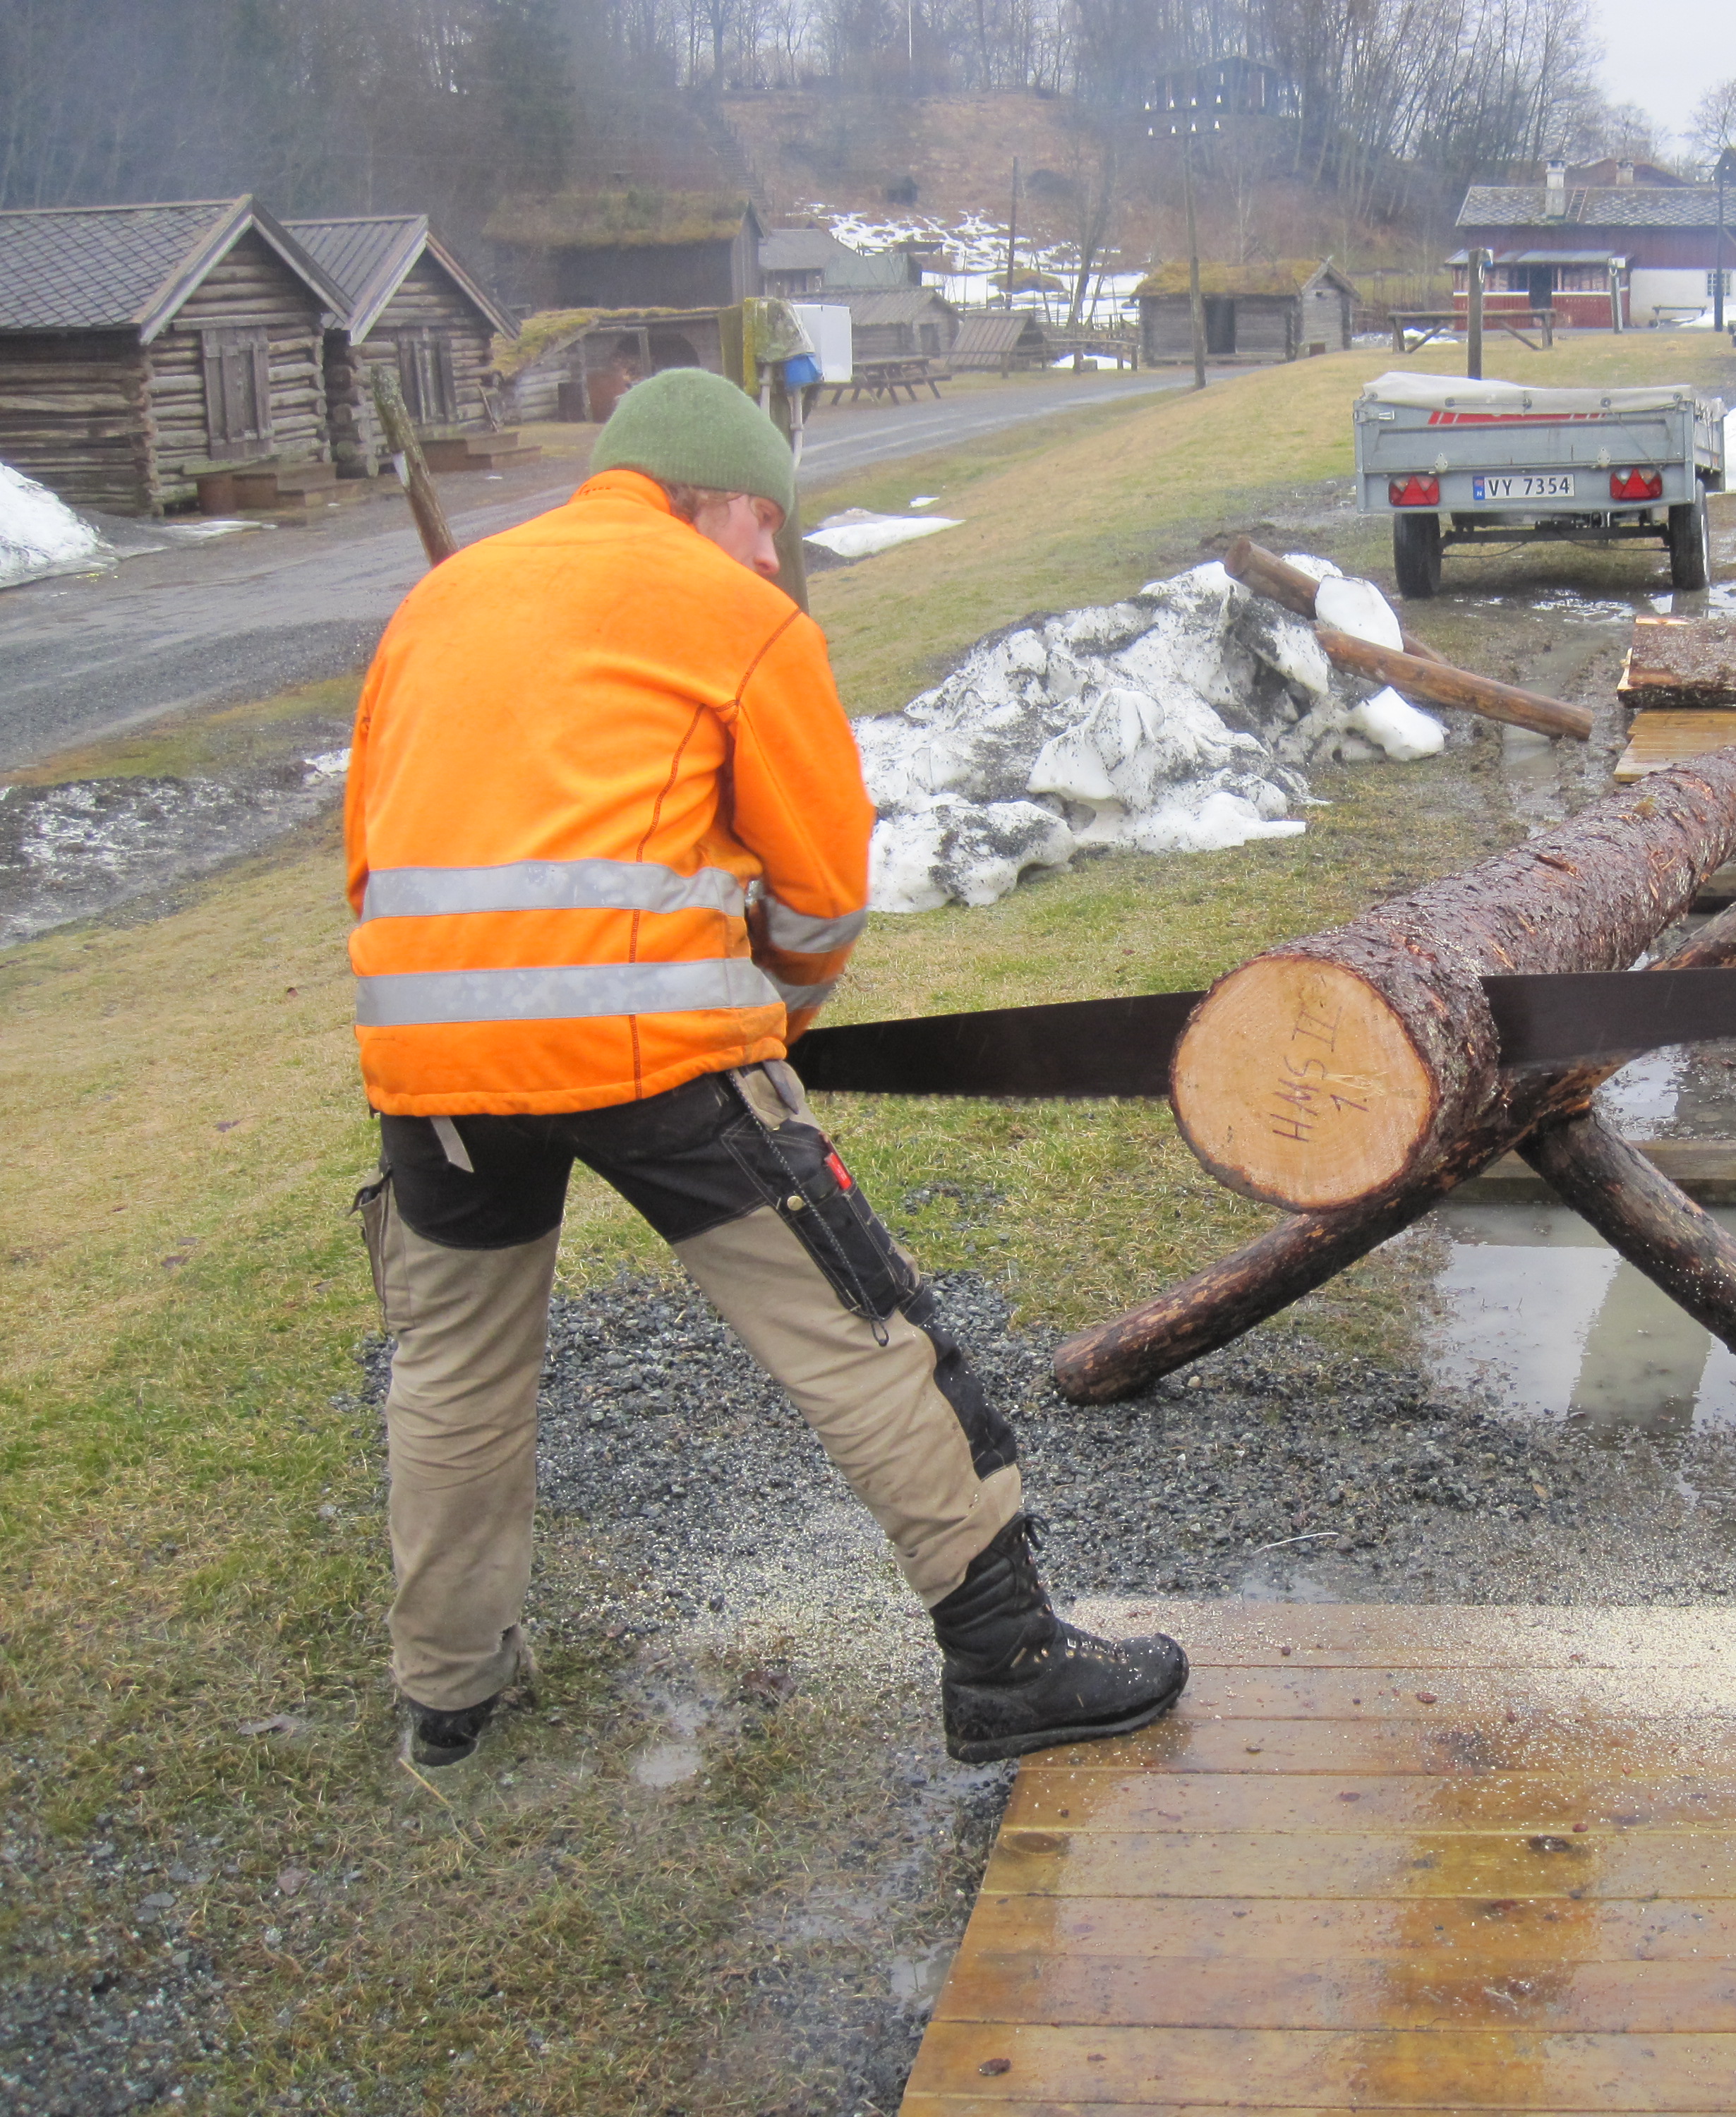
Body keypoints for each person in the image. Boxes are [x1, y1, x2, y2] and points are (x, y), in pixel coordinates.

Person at [344, 368, 1187, 1770]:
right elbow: (822, 885)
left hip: (427, 1062)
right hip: (653, 1055)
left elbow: (371, 848)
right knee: (865, 1333)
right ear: (718, 499)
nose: (768, 551)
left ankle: (449, 1692)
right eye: (765, 522)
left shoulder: (442, 601)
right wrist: (781, 1017)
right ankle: (1008, 1662)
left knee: (452, 1370)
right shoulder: (737, 616)